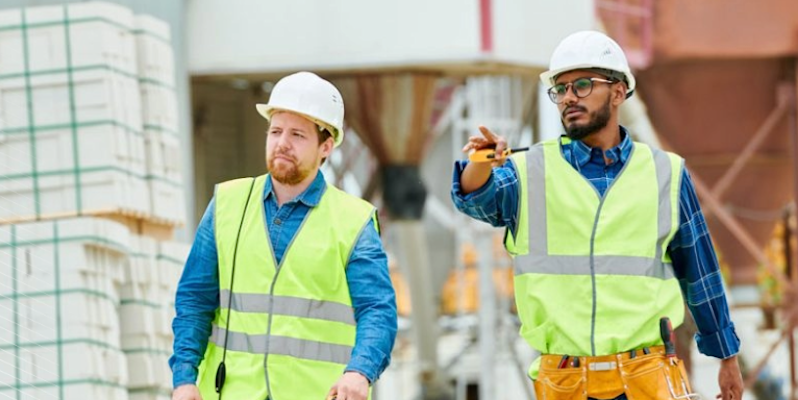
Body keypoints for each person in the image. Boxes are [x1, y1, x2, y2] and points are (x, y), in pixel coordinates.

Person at [452, 30, 744, 400]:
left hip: (647, 377)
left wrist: (726, 356)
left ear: (618, 92)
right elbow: (474, 198)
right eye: (560, 89)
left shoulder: (665, 173)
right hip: (565, 382)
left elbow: (700, 271)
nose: (568, 97)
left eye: (582, 85)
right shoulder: (528, 172)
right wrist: (481, 161)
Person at [169, 71, 398, 400]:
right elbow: (195, 299)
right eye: (275, 131)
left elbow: (377, 310)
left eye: (297, 135)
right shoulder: (227, 204)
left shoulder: (353, 221)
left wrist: (359, 371)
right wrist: (184, 378)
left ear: (326, 146)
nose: (282, 143)